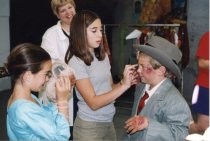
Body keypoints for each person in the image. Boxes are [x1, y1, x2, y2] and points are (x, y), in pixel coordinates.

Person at [65, 10, 139, 141]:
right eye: (94, 30)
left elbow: (109, 89)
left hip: (109, 123)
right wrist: (124, 85)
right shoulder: (76, 61)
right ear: (80, 33)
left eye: (100, 29)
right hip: (89, 129)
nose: (100, 34)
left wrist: (125, 81)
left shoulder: (102, 56)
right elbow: (93, 103)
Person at [124, 36, 192, 141]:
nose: (138, 70)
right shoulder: (141, 87)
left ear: (161, 70)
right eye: (138, 65)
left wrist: (149, 124)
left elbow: (180, 134)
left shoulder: (176, 102)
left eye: (143, 66)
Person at [6, 43, 71, 141]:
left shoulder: (23, 97)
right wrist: (62, 102)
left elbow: (43, 113)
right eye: (46, 74)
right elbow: (60, 138)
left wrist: (56, 97)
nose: (48, 78)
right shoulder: (24, 109)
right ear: (27, 76)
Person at [40, 0, 76, 139]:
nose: (68, 12)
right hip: (58, 90)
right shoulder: (50, 34)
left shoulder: (82, 29)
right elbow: (49, 64)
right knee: (63, 130)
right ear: (57, 14)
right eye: (63, 10)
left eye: (70, 7)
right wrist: (69, 72)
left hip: (79, 90)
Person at [189, 32, 209, 134]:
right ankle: (176, 131)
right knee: (202, 127)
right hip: (206, 87)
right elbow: (202, 62)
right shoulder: (208, 36)